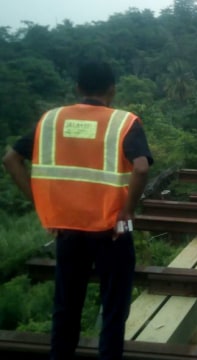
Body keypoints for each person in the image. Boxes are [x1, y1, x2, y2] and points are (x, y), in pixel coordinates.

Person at [2, 60, 153, 360]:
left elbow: (10, 159)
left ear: (78, 89)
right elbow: (141, 167)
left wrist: (41, 204)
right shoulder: (123, 122)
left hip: (68, 230)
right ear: (112, 89)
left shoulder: (52, 120)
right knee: (113, 307)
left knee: (66, 306)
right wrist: (127, 212)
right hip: (113, 230)